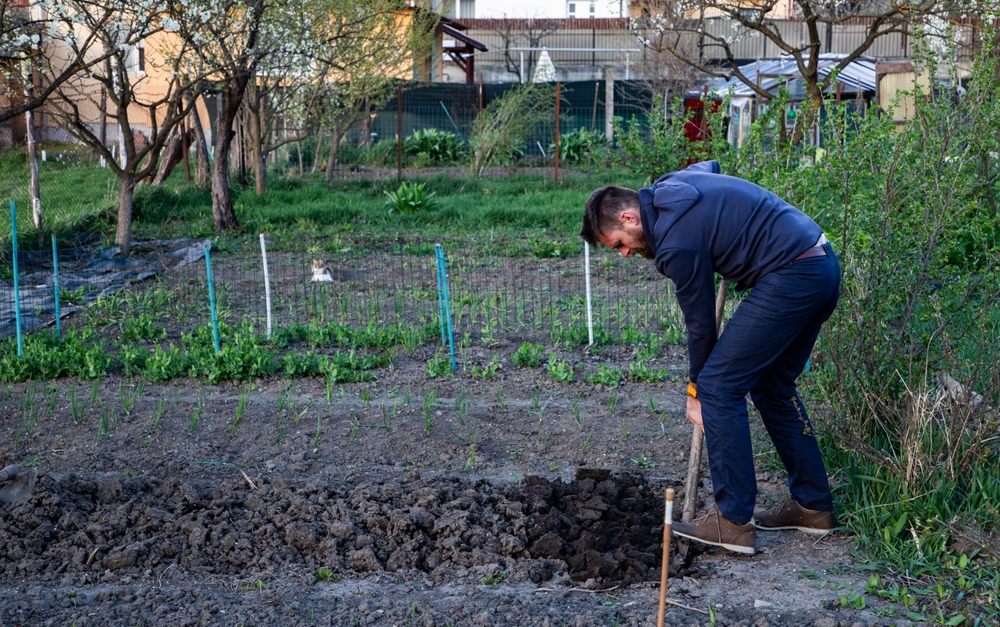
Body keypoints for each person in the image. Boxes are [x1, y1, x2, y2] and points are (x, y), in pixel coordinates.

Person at [580, 160, 840, 555]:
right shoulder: (673, 184)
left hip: (792, 274)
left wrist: (696, 392)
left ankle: (733, 521)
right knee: (772, 386)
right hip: (821, 265)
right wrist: (723, 226)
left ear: (629, 218)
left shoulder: (676, 244)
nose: (625, 253)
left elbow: (701, 327)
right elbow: (711, 166)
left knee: (719, 386)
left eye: (619, 244)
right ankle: (813, 506)